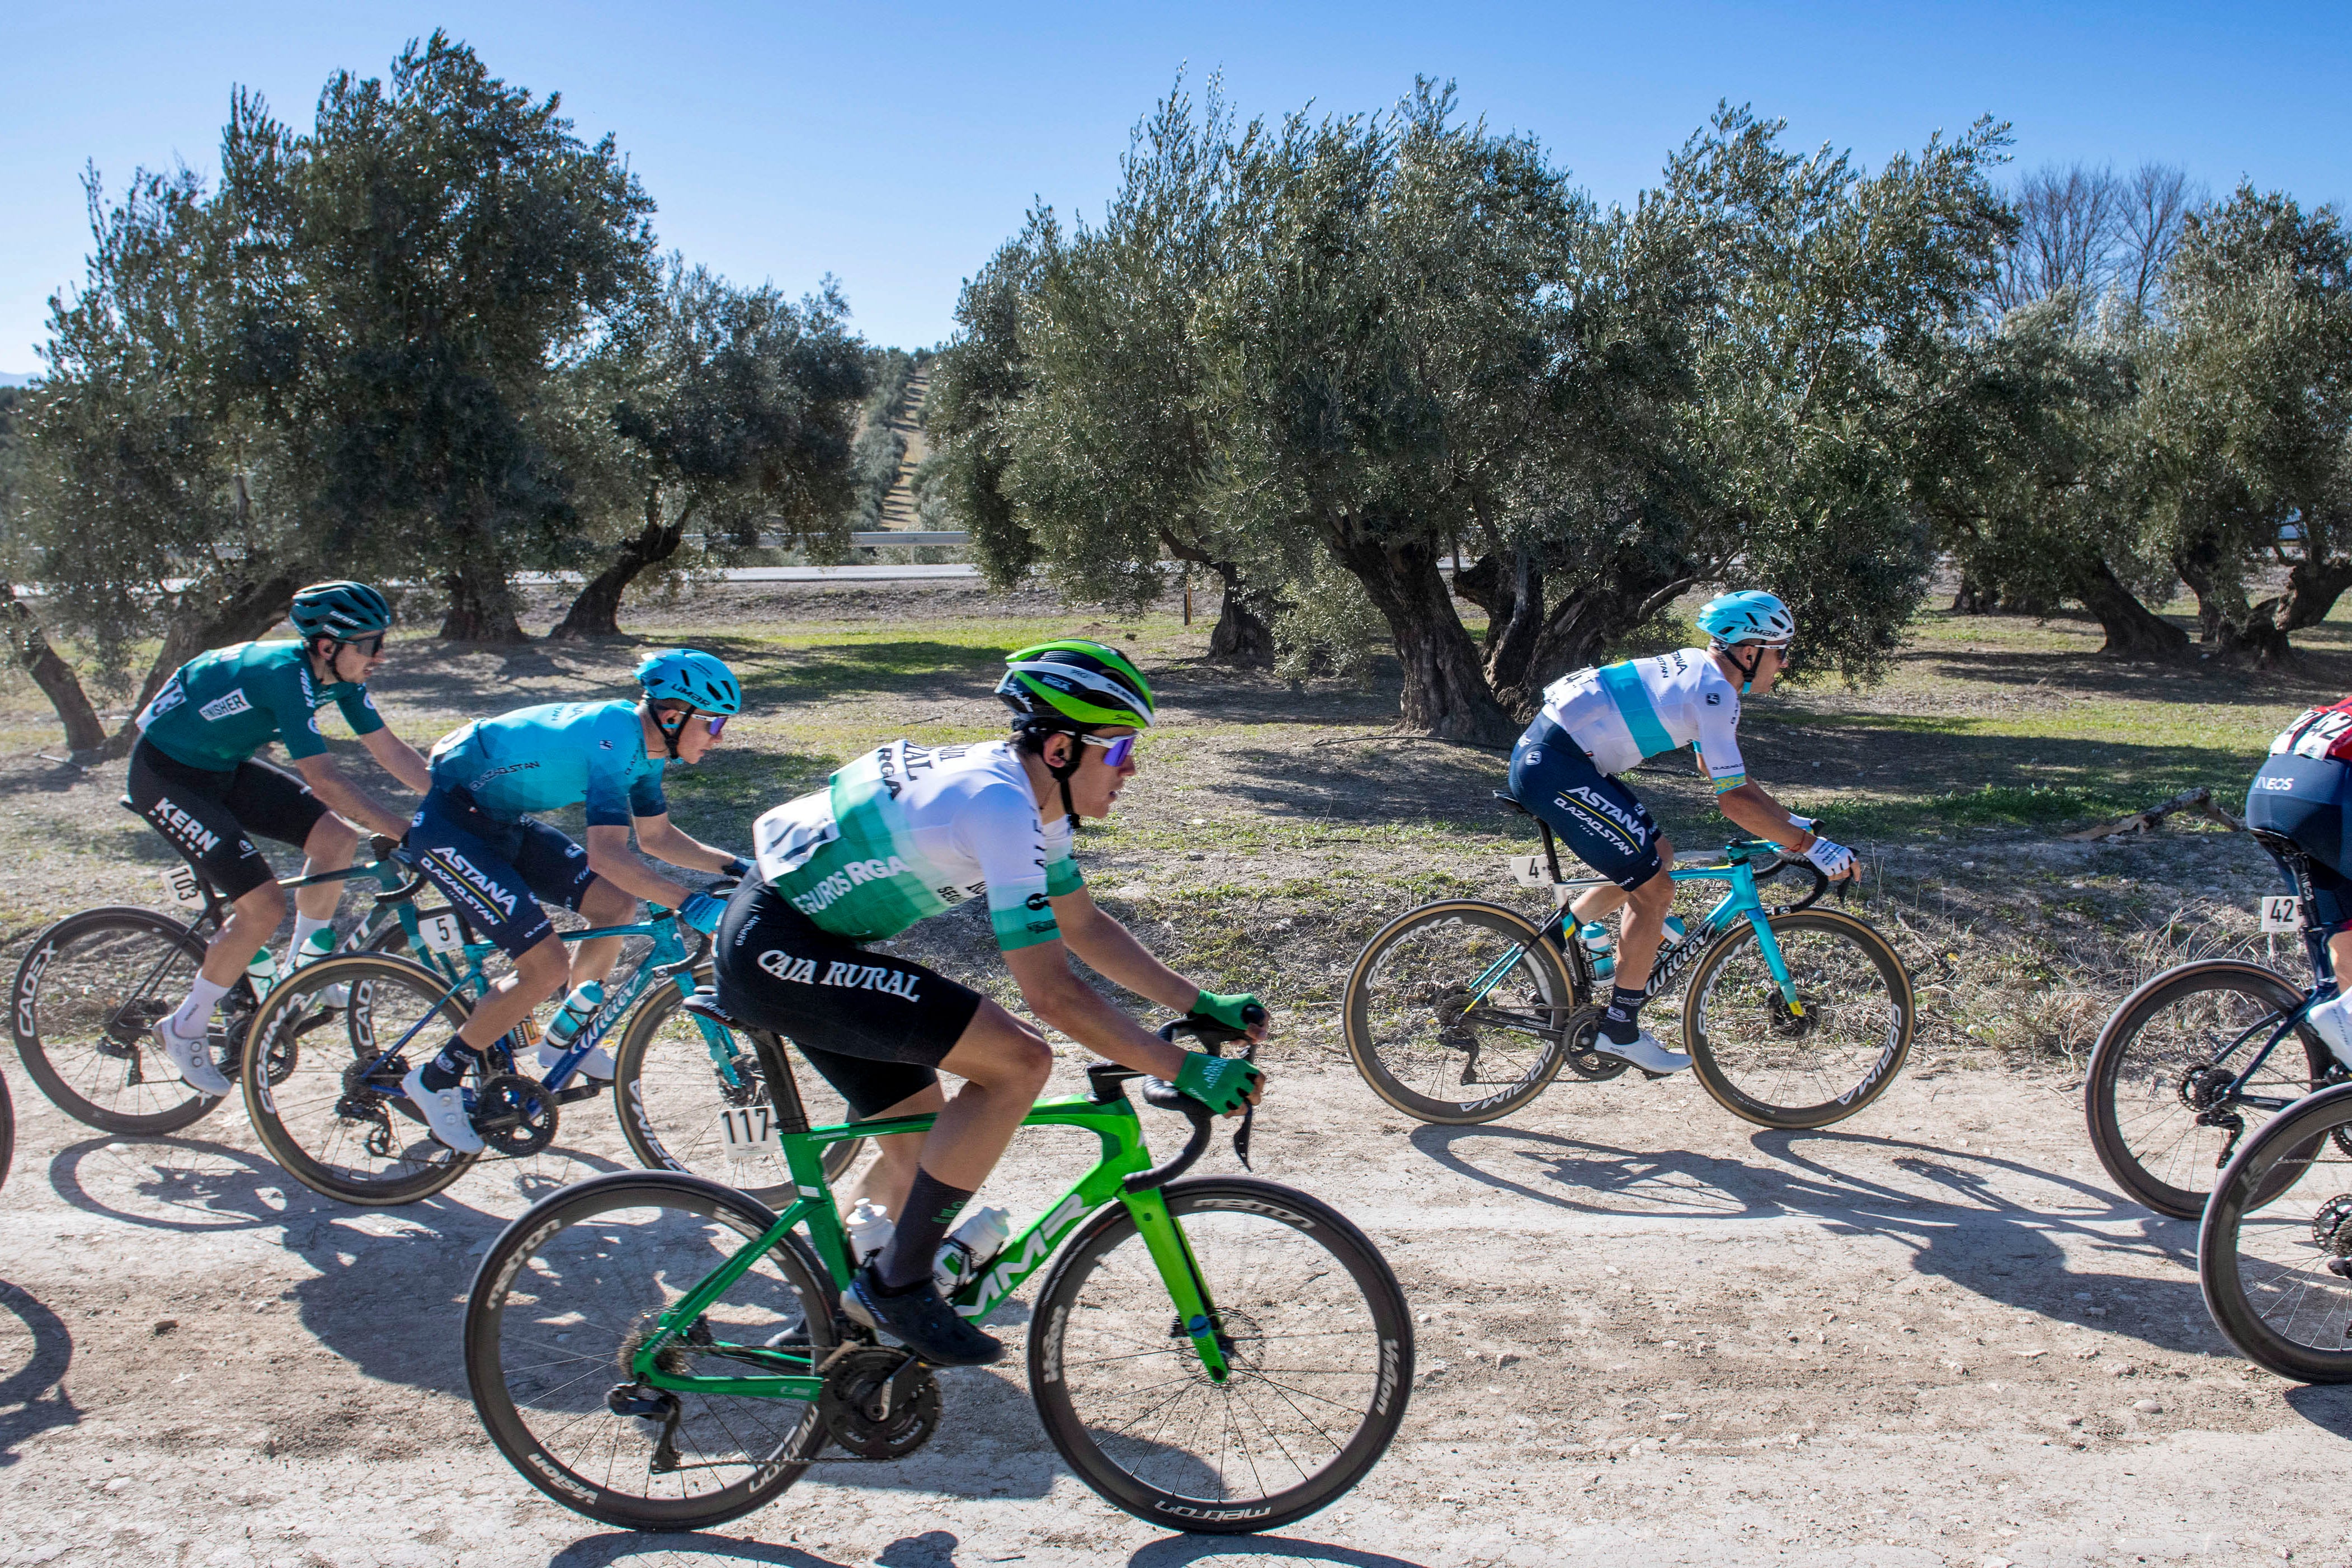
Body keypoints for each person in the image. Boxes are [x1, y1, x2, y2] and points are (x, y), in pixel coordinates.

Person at [713, 639, 1265, 1366]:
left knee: (918, 1160)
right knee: (1018, 1061)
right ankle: (898, 1289)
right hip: (778, 949)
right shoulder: (1001, 805)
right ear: (1064, 748)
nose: (1130, 766)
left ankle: (838, 1331)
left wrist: (1201, 1002)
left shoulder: (1035, 800)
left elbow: (1082, 926)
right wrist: (1180, 1068)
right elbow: (1050, 994)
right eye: (1121, 747)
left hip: (806, 945)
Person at [400, 649, 750, 1152]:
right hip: (453, 830)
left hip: (501, 823)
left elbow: (656, 839)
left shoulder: (647, 748)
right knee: (542, 967)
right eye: (714, 725)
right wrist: (689, 904)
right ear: (674, 717)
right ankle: (434, 1079)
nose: (719, 737)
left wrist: (741, 868)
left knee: (613, 907)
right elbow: (608, 856)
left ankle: (567, 1034)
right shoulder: (613, 741)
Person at [1506, 591, 1858, 1074]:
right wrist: (1812, 848)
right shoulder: (1714, 693)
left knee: (1659, 854)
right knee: (1655, 891)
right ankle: (1620, 1030)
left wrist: (1793, 825)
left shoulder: (1705, 675)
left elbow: (1719, 772)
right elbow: (1733, 802)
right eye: (1780, 651)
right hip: (1556, 767)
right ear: (1750, 652)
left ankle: (1569, 931)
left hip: (1561, 759)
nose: (1785, 663)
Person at [130, 581, 430, 1095]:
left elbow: (391, 753)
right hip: (167, 777)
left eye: (381, 641)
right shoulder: (283, 677)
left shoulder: (340, 676)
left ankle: (299, 971)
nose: (379, 655)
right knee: (263, 908)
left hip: (222, 766)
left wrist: (455, 801)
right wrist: (406, 830)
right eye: (368, 644)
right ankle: (183, 1026)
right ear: (327, 645)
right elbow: (325, 780)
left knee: (335, 840)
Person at [2247, 696, 2352, 1061]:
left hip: (2268, 796)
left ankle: (2337, 1083)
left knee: (2344, 929)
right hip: (2327, 795)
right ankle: (2347, 1016)